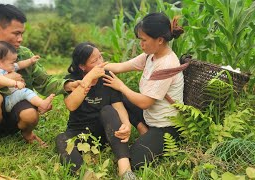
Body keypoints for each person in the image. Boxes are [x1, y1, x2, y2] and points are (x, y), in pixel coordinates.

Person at [0, 4, 80, 156]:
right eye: (16, 33)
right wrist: (2, 80)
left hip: (16, 112)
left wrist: (67, 85)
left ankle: (27, 133)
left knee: (31, 115)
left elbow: (45, 81)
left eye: (22, 34)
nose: (20, 39)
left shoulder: (24, 54)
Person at [103, 12, 185, 169]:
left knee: (136, 161)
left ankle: (150, 136)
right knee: (117, 94)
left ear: (160, 40)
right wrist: (95, 68)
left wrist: (121, 85)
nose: (141, 44)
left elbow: (145, 102)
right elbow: (121, 66)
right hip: (150, 117)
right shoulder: (151, 56)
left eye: (144, 40)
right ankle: (143, 129)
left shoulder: (167, 64)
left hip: (166, 126)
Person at [55, 42, 137, 179]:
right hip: (80, 133)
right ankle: (84, 174)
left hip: (106, 132)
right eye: (95, 60)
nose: (101, 62)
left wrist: (126, 124)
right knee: (61, 139)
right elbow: (71, 105)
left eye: (101, 57)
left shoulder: (107, 77)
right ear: (82, 66)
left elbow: (118, 106)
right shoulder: (73, 80)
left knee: (108, 110)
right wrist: (88, 78)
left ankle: (125, 170)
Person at [0, 41, 55, 114]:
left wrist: (30, 61)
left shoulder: (7, 66)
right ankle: (41, 104)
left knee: (29, 93)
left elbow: (19, 64)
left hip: (9, 97)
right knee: (26, 92)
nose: (14, 65)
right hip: (5, 100)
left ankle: (40, 106)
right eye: (12, 63)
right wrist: (15, 83)